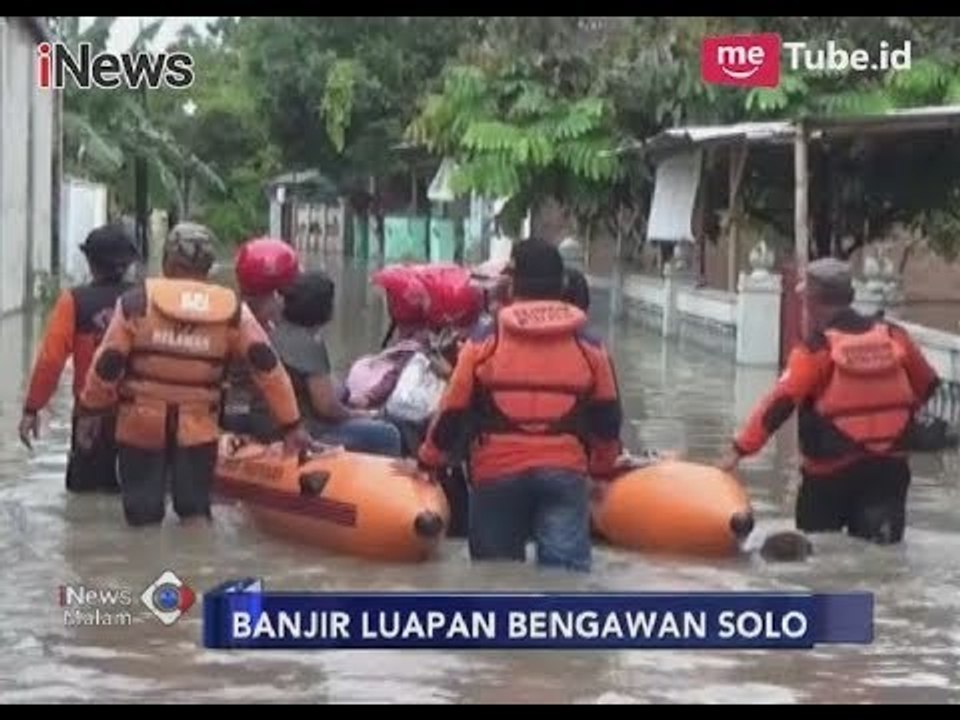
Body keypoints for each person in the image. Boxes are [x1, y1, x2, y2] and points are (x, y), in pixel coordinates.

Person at [76, 222, 311, 527]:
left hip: (140, 424)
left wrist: (90, 411)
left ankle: (142, 572)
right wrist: (291, 426)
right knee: (195, 512)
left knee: (142, 516)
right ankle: (197, 568)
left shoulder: (137, 302)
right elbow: (268, 368)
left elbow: (108, 363)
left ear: (167, 261)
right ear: (210, 265)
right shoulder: (232, 309)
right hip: (198, 427)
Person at [418, 238, 623, 571]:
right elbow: (608, 418)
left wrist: (428, 460)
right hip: (564, 473)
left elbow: (452, 409)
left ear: (512, 283)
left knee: (494, 582)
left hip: (496, 474)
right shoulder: (589, 343)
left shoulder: (485, 339)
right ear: (561, 284)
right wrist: (601, 470)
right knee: (565, 586)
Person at [718, 257, 940, 545]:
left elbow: (779, 404)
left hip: (829, 476)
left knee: (818, 566)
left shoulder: (816, 350)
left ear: (811, 301)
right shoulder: (895, 336)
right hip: (888, 472)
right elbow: (929, 384)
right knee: (883, 561)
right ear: (849, 296)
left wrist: (738, 450)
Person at [19, 223, 140, 493]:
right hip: (142, 418)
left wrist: (32, 409)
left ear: (90, 261)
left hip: (90, 418)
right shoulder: (147, 300)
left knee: (83, 503)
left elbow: (51, 360)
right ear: (130, 262)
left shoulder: (74, 301)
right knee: (137, 503)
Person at [268, 270, 403, 456]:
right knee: (388, 434)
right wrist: (360, 414)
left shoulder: (272, 330)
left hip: (276, 425)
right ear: (324, 308)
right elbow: (326, 407)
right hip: (310, 431)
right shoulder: (309, 344)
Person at [222, 237, 301, 438]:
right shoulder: (255, 329)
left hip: (227, 413)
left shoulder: (228, 313)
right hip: (254, 420)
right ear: (276, 293)